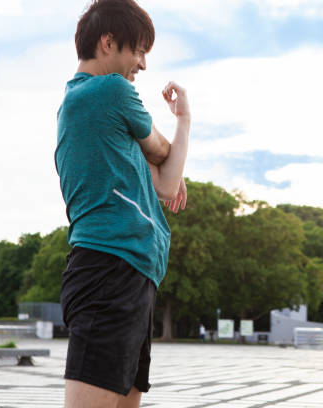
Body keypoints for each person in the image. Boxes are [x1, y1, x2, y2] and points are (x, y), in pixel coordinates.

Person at [55, 0, 190, 407]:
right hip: (109, 270)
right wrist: (172, 139)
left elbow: (166, 185)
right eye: (139, 50)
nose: (143, 65)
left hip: (131, 275)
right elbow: (165, 154)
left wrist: (184, 119)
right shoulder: (109, 91)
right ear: (108, 42)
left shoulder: (102, 122)